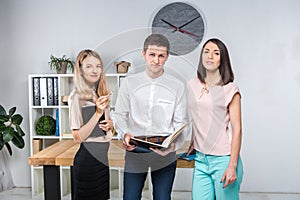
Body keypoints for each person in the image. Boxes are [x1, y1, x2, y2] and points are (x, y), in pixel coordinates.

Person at [114, 34, 190, 200]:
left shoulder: (177, 86)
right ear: (144, 54)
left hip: (164, 151)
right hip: (136, 150)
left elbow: (181, 122)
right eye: (152, 55)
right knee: (130, 197)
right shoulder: (129, 83)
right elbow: (120, 115)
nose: (156, 60)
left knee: (162, 198)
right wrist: (125, 134)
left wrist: (172, 147)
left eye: (161, 56)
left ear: (167, 57)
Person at [187, 38, 244, 200]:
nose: (209, 56)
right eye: (206, 51)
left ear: (222, 59)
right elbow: (197, 117)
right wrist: (193, 141)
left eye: (216, 52)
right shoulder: (193, 84)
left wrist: (232, 165)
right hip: (201, 159)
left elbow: (237, 129)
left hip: (223, 159)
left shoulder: (230, 89)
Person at [68, 49, 113, 200]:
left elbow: (105, 131)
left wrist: (110, 125)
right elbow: (77, 137)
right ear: (80, 70)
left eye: (98, 66)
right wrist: (98, 113)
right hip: (87, 162)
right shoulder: (76, 97)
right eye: (89, 66)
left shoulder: (100, 93)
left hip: (102, 159)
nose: (95, 70)